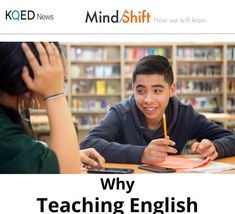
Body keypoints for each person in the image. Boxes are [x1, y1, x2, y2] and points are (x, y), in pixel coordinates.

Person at [80, 55, 235, 164]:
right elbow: (87, 144)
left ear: (172, 89)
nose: (148, 99)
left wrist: (216, 147)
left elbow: (231, 139)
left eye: (157, 91)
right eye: (140, 91)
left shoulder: (184, 114)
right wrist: (141, 154)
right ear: (132, 89)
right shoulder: (121, 113)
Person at [0, 42, 104, 173]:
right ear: (27, 78)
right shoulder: (4, 134)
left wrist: (68, 156)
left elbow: (25, 158)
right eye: (58, 78)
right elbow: (65, 178)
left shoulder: (16, 109)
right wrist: (55, 95)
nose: (60, 84)